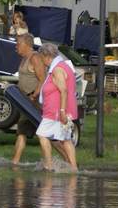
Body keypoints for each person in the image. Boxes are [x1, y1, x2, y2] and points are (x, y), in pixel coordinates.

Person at [36, 43, 78, 172]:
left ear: (46, 56)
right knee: (65, 139)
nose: (41, 60)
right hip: (62, 110)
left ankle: (48, 166)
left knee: (42, 134)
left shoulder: (57, 69)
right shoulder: (62, 66)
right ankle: (73, 168)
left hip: (56, 111)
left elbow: (64, 91)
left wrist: (62, 111)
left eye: (41, 57)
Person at [11, 34, 46, 164]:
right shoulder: (24, 59)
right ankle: (15, 161)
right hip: (25, 102)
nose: (16, 47)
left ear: (27, 44)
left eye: (18, 44)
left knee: (42, 133)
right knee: (22, 131)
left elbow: (42, 80)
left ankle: (54, 161)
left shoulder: (35, 58)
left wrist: (34, 96)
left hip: (34, 101)